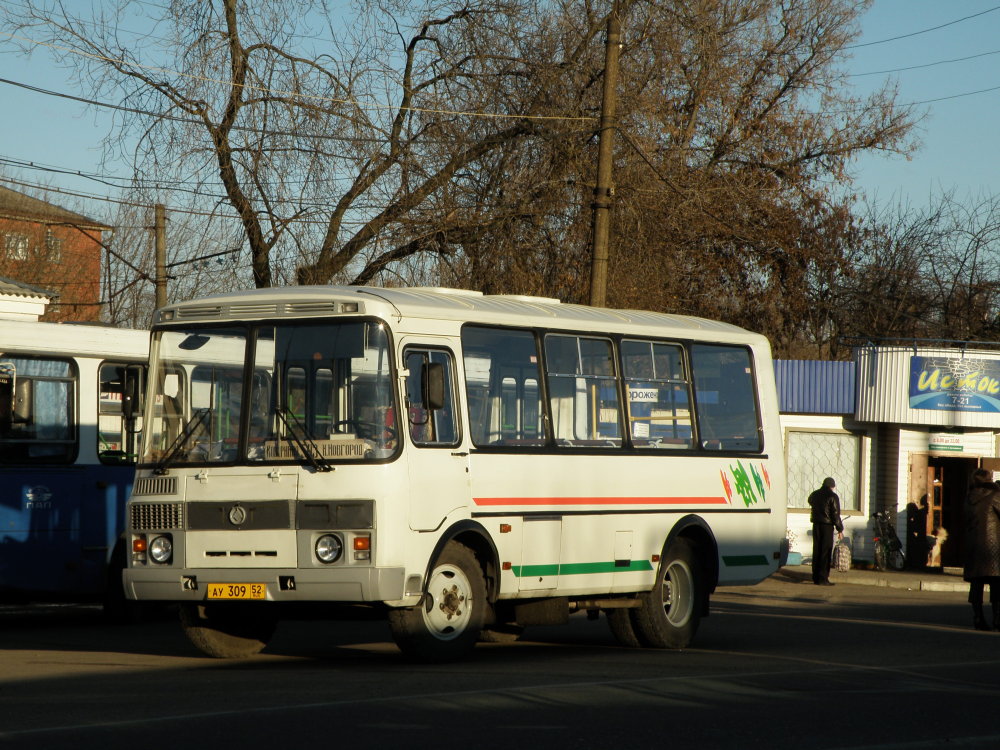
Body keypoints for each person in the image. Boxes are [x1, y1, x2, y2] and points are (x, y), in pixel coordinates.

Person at [963, 469, 1000, 631]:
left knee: (976, 584)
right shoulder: (995, 496)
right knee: (997, 583)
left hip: (973, 545)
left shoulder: (969, 497)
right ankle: (997, 619)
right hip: (993, 547)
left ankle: (978, 617)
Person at [809, 477, 844, 586]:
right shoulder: (833, 496)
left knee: (817, 550)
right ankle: (823, 578)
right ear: (832, 486)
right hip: (827, 526)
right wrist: (840, 529)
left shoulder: (814, 494)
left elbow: (810, 500)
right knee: (825, 551)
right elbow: (835, 514)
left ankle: (815, 577)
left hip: (816, 525)